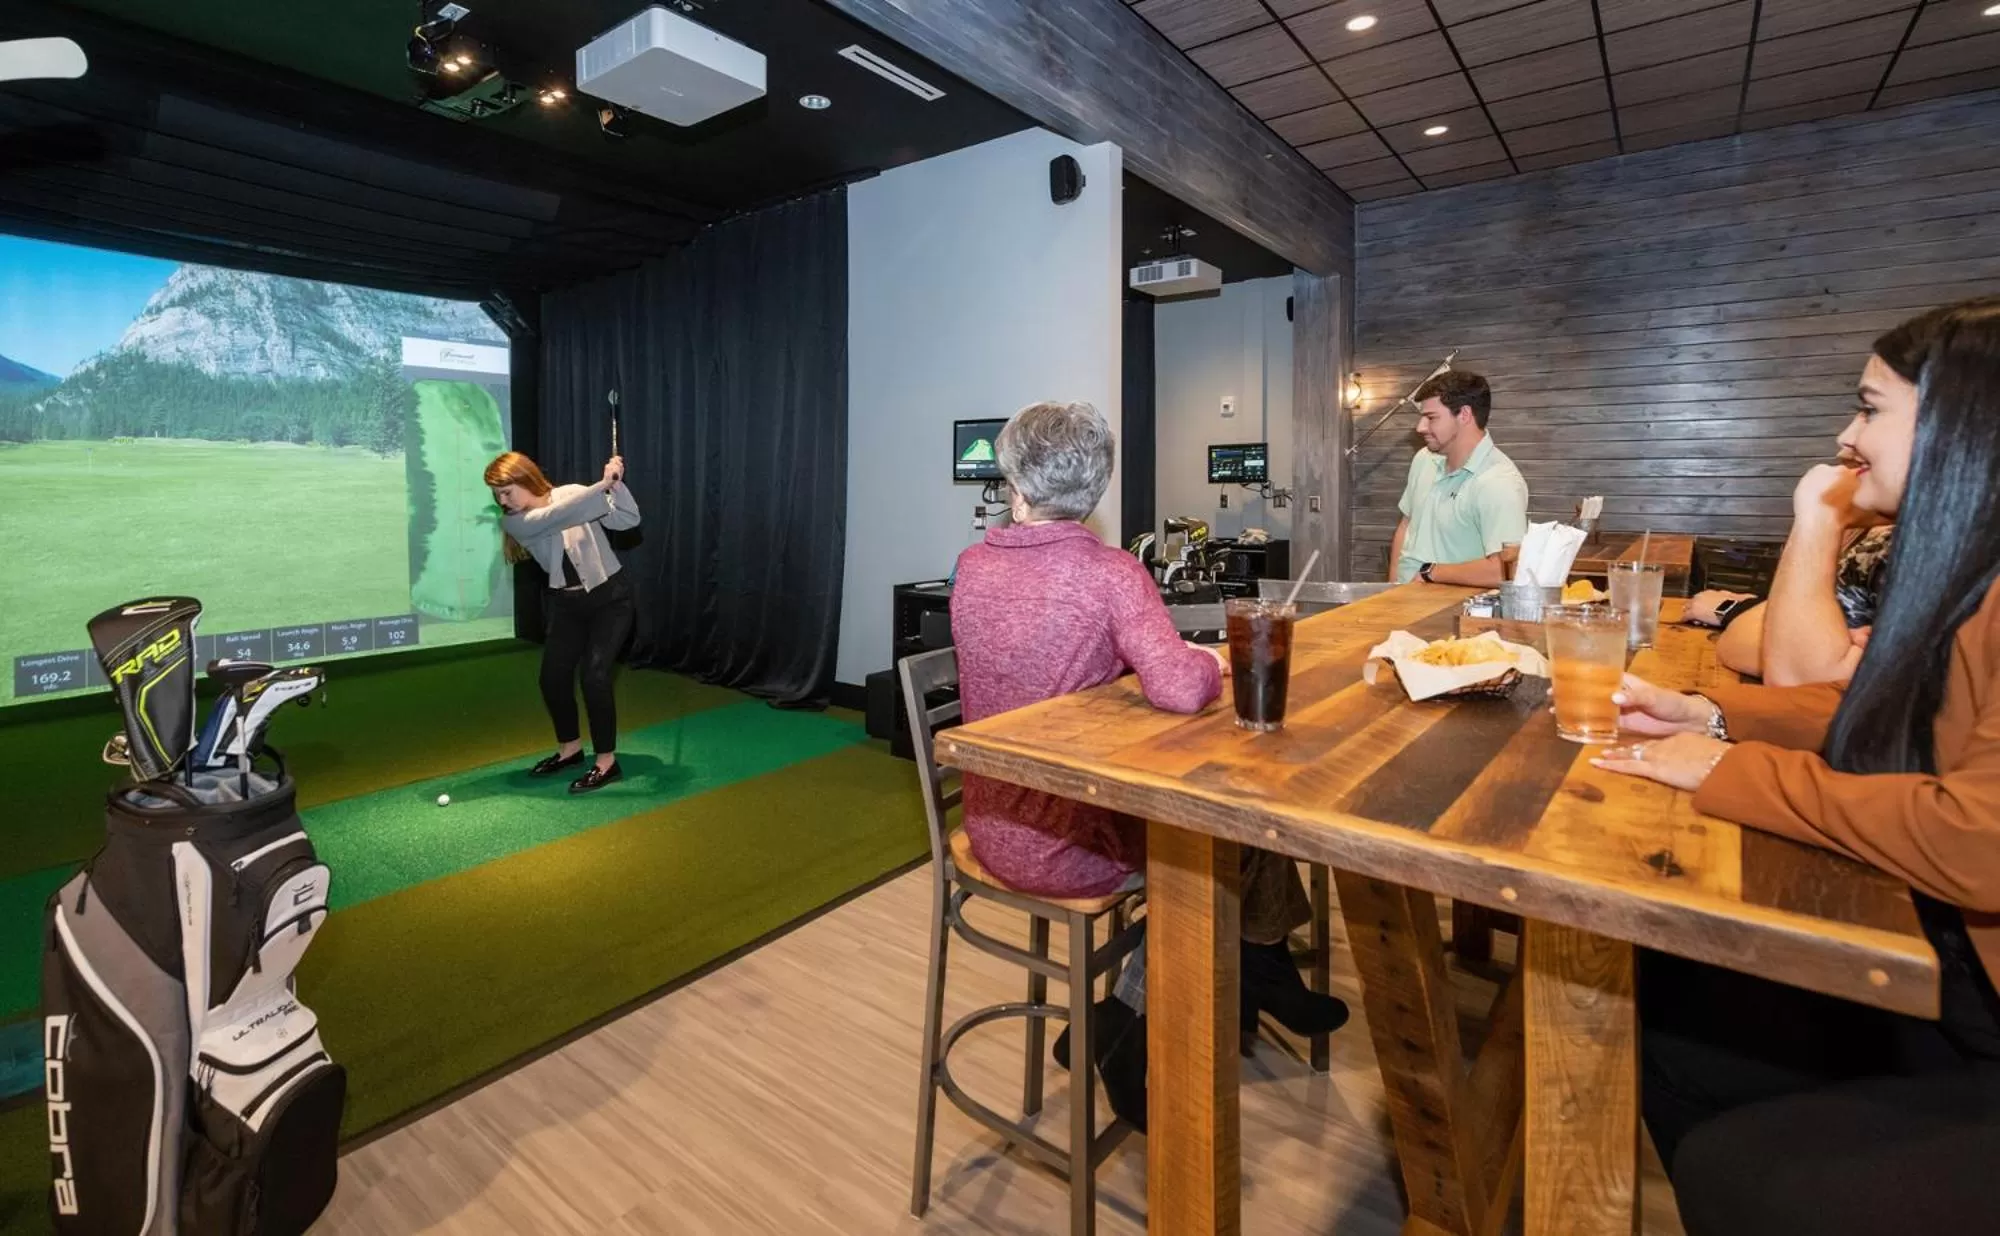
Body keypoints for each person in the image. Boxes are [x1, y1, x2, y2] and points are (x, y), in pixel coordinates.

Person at [1593, 297, 2000, 1234]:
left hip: (1976, 1008)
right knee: (1675, 1008)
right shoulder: (1960, 571)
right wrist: (1713, 713)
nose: (1844, 435)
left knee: (1745, 1169)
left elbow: (1976, 839)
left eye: (1868, 408)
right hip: (1945, 967)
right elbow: (1876, 717)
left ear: (1960, 421)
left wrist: (1727, 770)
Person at [950, 400, 1349, 1128]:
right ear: (1096, 487)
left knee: (1236, 831)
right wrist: (1199, 660)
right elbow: (1178, 689)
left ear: (1015, 481)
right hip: (1075, 845)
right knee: (1230, 834)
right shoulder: (1110, 573)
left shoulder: (971, 567)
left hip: (989, 823)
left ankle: (1264, 972)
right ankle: (1130, 1026)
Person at [485, 450, 641, 794]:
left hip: (610, 600)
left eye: (507, 491)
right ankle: (569, 750)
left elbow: (627, 520)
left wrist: (616, 485)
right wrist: (601, 486)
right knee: (552, 678)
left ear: (526, 479)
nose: (502, 500)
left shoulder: (572, 493)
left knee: (595, 676)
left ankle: (606, 762)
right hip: (567, 604)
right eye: (496, 495)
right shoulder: (515, 521)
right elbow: (557, 516)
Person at [1690, 460, 1893, 684]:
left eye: (1870, 423)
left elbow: (1798, 675)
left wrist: (1822, 513)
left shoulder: (1888, 543)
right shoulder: (1866, 536)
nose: (1845, 445)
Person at [1388, 370, 1530, 586]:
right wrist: (1391, 592)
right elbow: (1406, 526)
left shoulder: (1500, 481)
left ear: (1464, 415)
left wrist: (1431, 572)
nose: (1420, 427)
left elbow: (1506, 570)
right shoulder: (1424, 459)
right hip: (1403, 604)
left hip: (1453, 615)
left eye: (1431, 418)